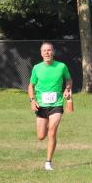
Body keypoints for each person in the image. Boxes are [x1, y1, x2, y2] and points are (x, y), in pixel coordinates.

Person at [28, 42, 72, 171]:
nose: (47, 52)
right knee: (41, 136)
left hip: (56, 104)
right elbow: (31, 85)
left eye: (49, 50)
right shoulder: (37, 68)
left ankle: (48, 162)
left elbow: (69, 79)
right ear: (41, 54)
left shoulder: (61, 66)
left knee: (52, 132)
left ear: (53, 52)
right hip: (41, 106)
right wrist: (32, 100)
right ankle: (46, 125)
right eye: (44, 51)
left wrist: (67, 89)